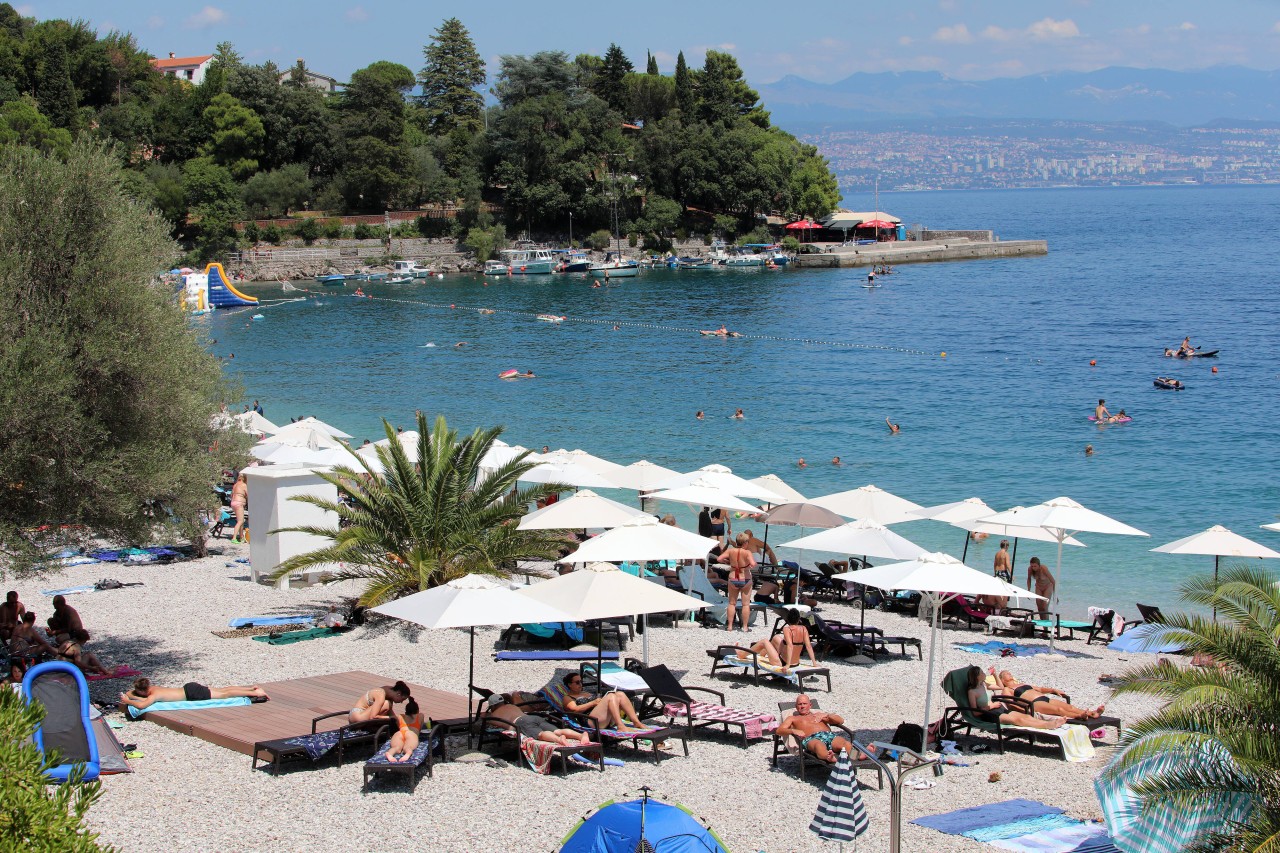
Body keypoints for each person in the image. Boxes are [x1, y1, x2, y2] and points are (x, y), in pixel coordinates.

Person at [774, 694, 867, 764]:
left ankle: (858, 756)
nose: (802, 706)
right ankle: (828, 757)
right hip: (811, 738)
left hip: (829, 735)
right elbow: (779, 731)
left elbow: (840, 720)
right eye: (800, 704)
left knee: (845, 743)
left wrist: (826, 715)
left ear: (810, 705)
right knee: (819, 745)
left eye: (805, 704)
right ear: (796, 706)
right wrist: (793, 730)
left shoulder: (818, 714)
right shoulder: (793, 718)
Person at [966, 666, 1064, 730]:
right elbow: (975, 712)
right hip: (989, 713)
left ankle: (1046, 722)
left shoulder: (984, 684)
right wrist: (991, 707)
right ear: (978, 676)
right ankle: (1047, 726)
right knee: (1018, 720)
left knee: (1026, 716)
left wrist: (995, 675)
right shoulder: (972, 692)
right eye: (982, 673)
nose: (984, 674)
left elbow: (1000, 687)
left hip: (998, 708)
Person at [988, 668, 1105, 719]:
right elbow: (1010, 704)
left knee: (1069, 706)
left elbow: (1040, 689)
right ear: (1002, 679)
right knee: (1059, 710)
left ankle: (1092, 713)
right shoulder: (1007, 689)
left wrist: (1053, 690)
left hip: (1043, 698)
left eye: (1009, 672)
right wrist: (1025, 710)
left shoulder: (1021, 684)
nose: (1009, 674)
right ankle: (1079, 716)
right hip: (1034, 703)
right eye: (1006, 674)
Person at [487, 694, 592, 747]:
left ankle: (559, 740)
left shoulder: (494, 714)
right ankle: (581, 735)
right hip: (534, 717)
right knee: (557, 731)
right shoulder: (511, 706)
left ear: (492, 706)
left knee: (541, 734)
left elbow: (493, 724)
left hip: (521, 722)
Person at [560, 673, 648, 731]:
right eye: (577, 682)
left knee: (620, 694)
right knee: (611, 696)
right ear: (569, 684)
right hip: (591, 721)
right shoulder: (568, 698)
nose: (580, 684)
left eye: (581, 681)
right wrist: (593, 703)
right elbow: (574, 710)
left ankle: (636, 722)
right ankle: (620, 725)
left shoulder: (585, 693)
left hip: (604, 718)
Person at [119, 678, 269, 710]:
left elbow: (141, 706)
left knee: (225, 694)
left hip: (192, 694)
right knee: (224, 689)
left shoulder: (154, 696)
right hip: (189, 687)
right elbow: (132, 692)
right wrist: (132, 695)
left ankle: (256, 693)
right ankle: (251, 689)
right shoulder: (154, 688)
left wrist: (128, 701)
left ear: (144, 691)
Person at [717, 533, 756, 632]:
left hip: (733, 578)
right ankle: (745, 627)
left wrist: (728, 562)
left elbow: (719, 559)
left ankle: (730, 626)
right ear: (745, 543)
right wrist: (748, 566)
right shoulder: (747, 553)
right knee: (745, 604)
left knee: (731, 603)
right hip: (745, 578)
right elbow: (753, 564)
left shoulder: (730, 551)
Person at [384, 699, 425, 763]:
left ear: (406, 710)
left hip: (399, 733)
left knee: (396, 747)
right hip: (411, 733)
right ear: (417, 710)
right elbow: (419, 729)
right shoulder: (420, 716)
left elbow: (397, 725)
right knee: (408, 747)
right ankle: (407, 754)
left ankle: (389, 753)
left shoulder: (400, 716)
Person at [981, 541, 1013, 612]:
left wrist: (995, 574)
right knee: (1005, 591)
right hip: (1004, 573)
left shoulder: (997, 554)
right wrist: (1012, 574)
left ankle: (997, 606)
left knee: (998, 590)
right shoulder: (1006, 554)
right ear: (1006, 546)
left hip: (998, 572)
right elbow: (1007, 565)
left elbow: (995, 565)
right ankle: (1003, 607)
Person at [230, 472, 249, 543]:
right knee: (240, 521)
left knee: (240, 520)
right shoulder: (244, 485)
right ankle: (234, 538)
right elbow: (248, 494)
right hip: (239, 503)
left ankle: (241, 537)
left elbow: (231, 494)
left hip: (233, 502)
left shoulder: (235, 485)